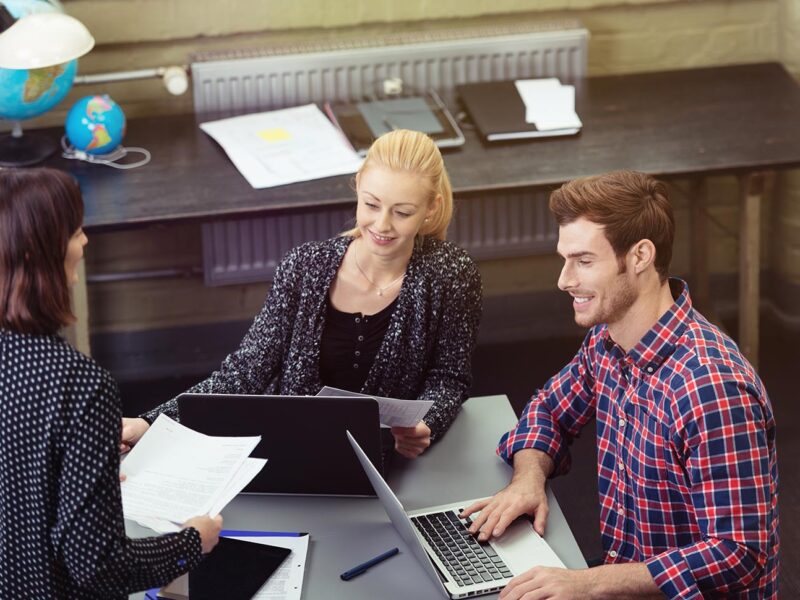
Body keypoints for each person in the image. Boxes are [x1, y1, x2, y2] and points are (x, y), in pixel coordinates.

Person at [461, 171, 778, 599]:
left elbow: (739, 554)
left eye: (584, 261)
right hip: (621, 584)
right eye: (564, 259)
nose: (564, 280)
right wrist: (527, 478)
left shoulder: (711, 389)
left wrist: (590, 584)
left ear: (640, 256)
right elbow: (549, 409)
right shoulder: (608, 342)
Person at [121, 129, 483, 459]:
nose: (382, 225)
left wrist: (427, 425)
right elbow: (247, 371)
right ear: (357, 186)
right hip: (292, 449)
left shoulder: (451, 274)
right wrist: (153, 424)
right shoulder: (304, 267)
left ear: (430, 208)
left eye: (402, 212)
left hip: (390, 459)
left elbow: (448, 378)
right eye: (371, 205)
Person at [0, 168, 222, 599]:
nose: (84, 243)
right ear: (43, 255)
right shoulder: (80, 386)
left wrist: (85, 479)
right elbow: (97, 566)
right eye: (76, 232)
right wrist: (192, 542)